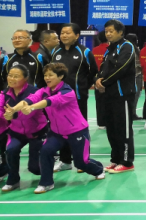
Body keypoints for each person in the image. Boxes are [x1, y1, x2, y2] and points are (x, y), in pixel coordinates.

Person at [10, 63, 104, 193]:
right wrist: (13, 109)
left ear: (60, 76)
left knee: (81, 163)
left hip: (76, 131)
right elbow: (30, 98)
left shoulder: (67, 92)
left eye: (50, 75)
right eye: (45, 75)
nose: (47, 78)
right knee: (45, 152)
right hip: (56, 133)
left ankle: (98, 170)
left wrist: (31, 108)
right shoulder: (44, 90)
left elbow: (50, 101)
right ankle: (46, 183)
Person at [51, 23, 99, 172]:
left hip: (78, 98)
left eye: (68, 33)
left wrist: (82, 87)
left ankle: (84, 160)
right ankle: (65, 161)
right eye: (62, 33)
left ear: (77, 35)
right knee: (62, 129)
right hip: (58, 98)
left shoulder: (84, 52)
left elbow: (93, 71)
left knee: (80, 129)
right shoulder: (55, 52)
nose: (64, 35)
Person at [95, 20, 137, 174]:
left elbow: (121, 68)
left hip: (123, 95)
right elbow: (102, 69)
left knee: (123, 129)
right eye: (106, 31)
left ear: (120, 32)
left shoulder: (127, 46)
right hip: (109, 95)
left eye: (111, 31)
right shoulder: (109, 49)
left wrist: (104, 82)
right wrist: (97, 80)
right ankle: (115, 159)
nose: (108, 34)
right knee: (111, 129)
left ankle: (127, 161)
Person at [1, 65, 49, 191]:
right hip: (16, 132)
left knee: (34, 168)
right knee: (11, 150)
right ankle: (13, 180)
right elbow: (1, 109)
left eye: (16, 76)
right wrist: (5, 115)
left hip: (37, 132)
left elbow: (29, 112)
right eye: (10, 75)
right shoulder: (4, 93)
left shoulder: (35, 92)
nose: (12, 78)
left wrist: (12, 114)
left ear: (25, 78)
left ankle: (47, 170)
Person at [125, 33, 144, 121]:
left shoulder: (124, 49)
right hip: (137, 75)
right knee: (136, 95)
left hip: (128, 76)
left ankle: (130, 112)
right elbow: (139, 64)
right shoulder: (136, 50)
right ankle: (132, 113)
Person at [92, 31, 109, 129]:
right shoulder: (111, 49)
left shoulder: (94, 50)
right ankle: (109, 121)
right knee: (109, 101)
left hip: (97, 78)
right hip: (108, 78)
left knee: (99, 101)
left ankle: (101, 123)